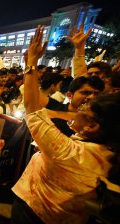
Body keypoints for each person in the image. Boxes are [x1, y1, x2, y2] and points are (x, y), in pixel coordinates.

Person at [11, 25, 120, 224]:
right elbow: (83, 82)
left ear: (91, 126)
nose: (86, 103)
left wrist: (32, 61)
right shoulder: (108, 150)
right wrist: (79, 50)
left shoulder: (68, 151)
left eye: (86, 108)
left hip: (33, 213)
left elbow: (32, 107)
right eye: (85, 96)